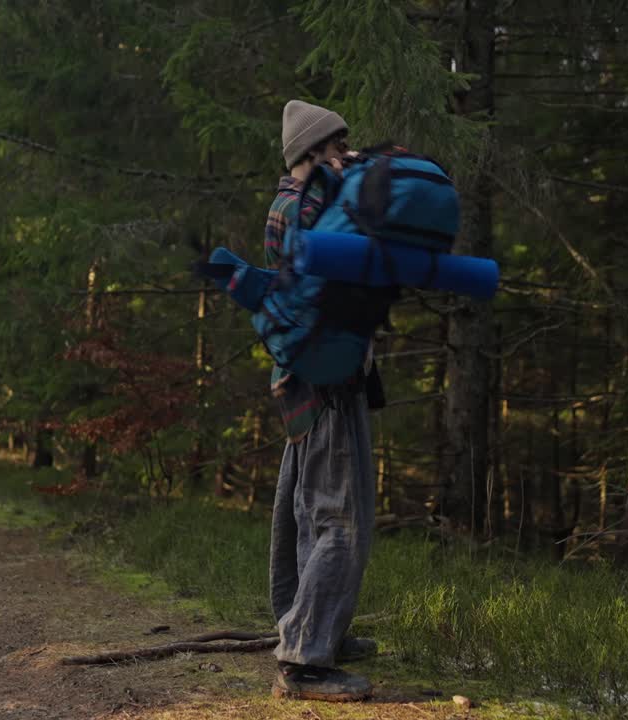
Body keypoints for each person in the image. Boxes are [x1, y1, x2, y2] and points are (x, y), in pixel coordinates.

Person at [264, 99, 377, 702]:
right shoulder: (305, 205)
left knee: (312, 511)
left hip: (313, 378)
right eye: (336, 147)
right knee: (340, 518)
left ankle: (313, 630)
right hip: (324, 381)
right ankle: (306, 660)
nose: (345, 155)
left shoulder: (302, 204)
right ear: (312, 153)